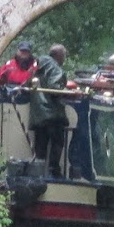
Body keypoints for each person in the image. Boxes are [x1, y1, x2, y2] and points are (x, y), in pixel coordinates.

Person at [29, 44, 68, 178]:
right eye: (64, 56)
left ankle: (37, 174)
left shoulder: (37, 66)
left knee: (40, 146)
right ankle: (54, 172)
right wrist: (70, 92)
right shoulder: (55, 68)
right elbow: (55, 88)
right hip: (53, 113)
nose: (64, 59)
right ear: (59, 56)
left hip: (38, 114)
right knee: (58, 142)